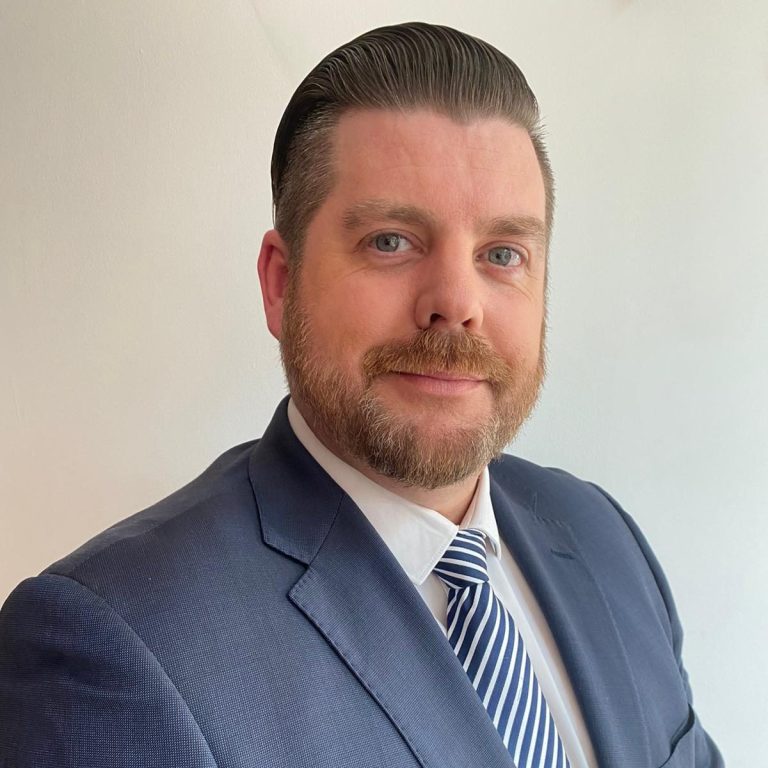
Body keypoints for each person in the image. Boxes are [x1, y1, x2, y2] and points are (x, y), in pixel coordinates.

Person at [0, 22, 722, 768]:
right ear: (281, 284)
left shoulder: (605, 540)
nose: (456, 303)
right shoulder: (111, 647)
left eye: (502, 253)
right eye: (390, 241)